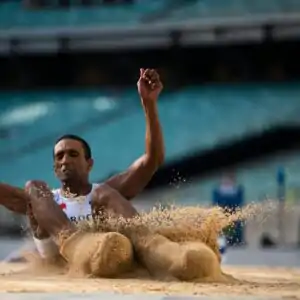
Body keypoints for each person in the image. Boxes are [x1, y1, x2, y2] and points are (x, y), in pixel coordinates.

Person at [0, 69, 223, 281]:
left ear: (89, 164)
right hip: (64, 257)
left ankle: (159, 252)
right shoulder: (45, 201)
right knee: (33, 187)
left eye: (72, 154)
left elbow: (151, 160)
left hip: (109, 254)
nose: (65, 160)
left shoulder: (104, 194)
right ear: (55, 168)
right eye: (59, 156)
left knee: (106, 198)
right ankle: (78, 245)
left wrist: (149, 105)